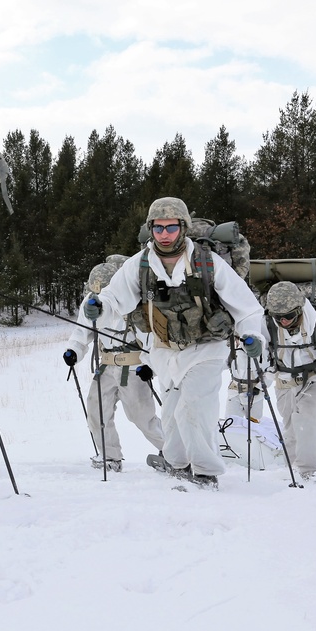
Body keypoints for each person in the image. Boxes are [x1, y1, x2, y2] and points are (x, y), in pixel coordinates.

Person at [85, 197, 264, 489]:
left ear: (182, 227)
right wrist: (99, 307)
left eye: (170, 227)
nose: (164, 234)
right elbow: (115, 298)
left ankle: (205, 472)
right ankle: (178, 464)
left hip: (206, 348)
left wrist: (253, 337)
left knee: (194, 406)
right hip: (165, 352)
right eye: (157, 228)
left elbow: (247, 307)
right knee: (171, 413)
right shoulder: (140, 264)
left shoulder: (208, 262)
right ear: (150, 230)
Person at [63, 255, 164, 472]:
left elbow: (150, 337)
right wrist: (73, 351)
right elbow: (82, 332)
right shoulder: (90, 303)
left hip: (134, 368)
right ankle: (109, 456)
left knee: (142, 417)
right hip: (106, 366)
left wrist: (149, 365)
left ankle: (172, 451)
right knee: (96, 411)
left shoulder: (136, 304)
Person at [258, 281, 316, 481]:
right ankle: (291, 471)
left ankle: (306, 472)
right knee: (291, 428)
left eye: (289, 316)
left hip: (314, 378)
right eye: (279, 317)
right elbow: (263, 354)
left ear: (299, 309)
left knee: (310, 423)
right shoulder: (266, 323)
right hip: (284, 380)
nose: (283, 321)